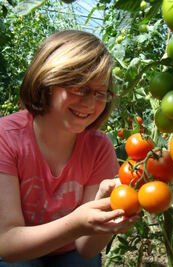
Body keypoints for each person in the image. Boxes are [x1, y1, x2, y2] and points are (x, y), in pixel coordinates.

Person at [0, 30, 139, 267]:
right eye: (79, 88)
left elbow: (85, 249)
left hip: (69, 252)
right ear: (47, 81)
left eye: (99, 93)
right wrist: (76, 223)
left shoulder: (99, 147)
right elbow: (7, 243)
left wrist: (109, 217)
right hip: (20, 252)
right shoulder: (7, 138)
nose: (89, 104)